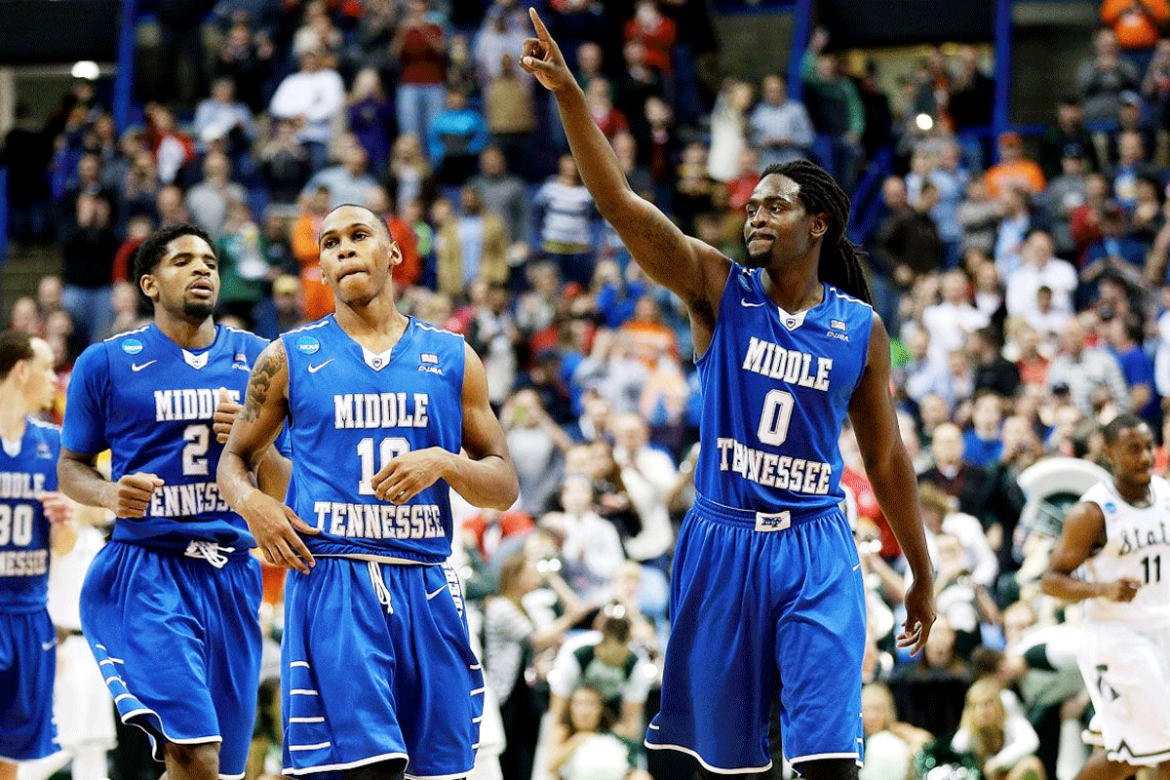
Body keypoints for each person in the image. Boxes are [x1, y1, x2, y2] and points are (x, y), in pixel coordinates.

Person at [522, 11, 936, 780]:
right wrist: (572, 99)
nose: (755, 213)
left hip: (816, 542)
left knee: (829, 759)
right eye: (750, 205)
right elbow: (620, 206)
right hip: (723, 537)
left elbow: (886, 457)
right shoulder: (717, 289)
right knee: (722, 766)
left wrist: (922, 569)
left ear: (817, 223)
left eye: (774, 205)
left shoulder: (859, 328)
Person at [217, 202, 520, 780]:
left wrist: (443, 462)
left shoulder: (454, 356)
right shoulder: (286, 357)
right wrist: (253, 503)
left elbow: (503, 485)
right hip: (337, 580)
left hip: (427, 582)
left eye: (359, 236)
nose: (344, 249)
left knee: (442, 772)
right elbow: (236, 457)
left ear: (395, 254)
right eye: (330, 244)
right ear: (322, 270)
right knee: (366, 769)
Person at [57, 223, 289, 780]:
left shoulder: (263, 359)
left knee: (215, 771)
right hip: (148, 570)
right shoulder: (106, 362)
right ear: (150, 284)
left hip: (231, 574)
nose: (203, 268)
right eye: (183, 260)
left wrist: (256, 444)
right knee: (197, 753)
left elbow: (281, 491)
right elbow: (71, 468)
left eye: (209, 260)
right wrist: (111, 494)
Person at [1042, 413, 1170, 780]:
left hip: (1162, 628)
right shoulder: (1091, 512)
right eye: (1133, 449)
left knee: (1125, 755)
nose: (1145, 456)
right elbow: (1050, 581)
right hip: (1119, 638)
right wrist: (1102, 589)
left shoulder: (1164, 493)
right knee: (1162, 748)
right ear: (1109, 454)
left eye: (1148, 447)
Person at [0, 331, 76, 780]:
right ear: (21, 370)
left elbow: (61, 549)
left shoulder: (51, 442)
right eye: (47, 368)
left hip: (30, 612)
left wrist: (64, 524)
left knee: (12, 751)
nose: (55, 379)